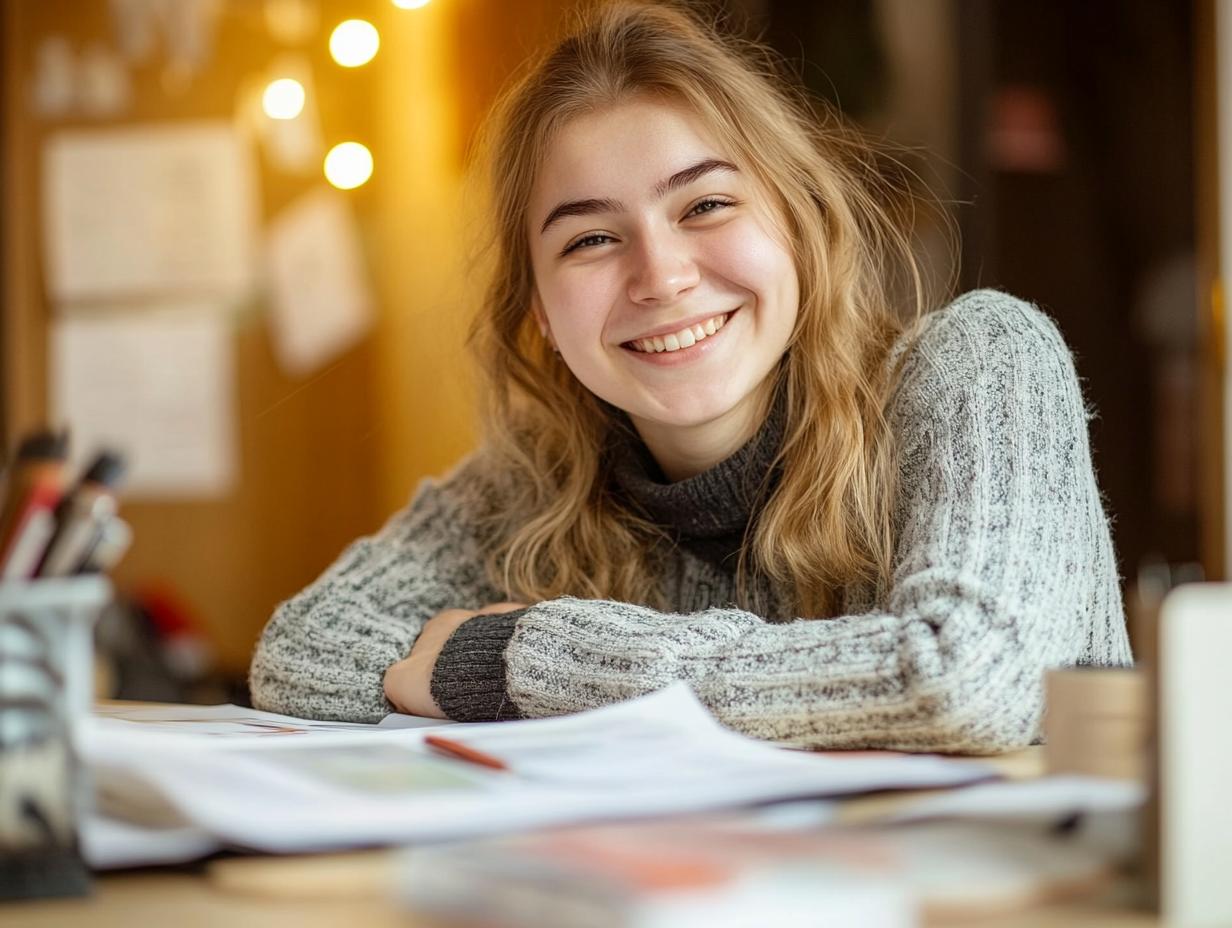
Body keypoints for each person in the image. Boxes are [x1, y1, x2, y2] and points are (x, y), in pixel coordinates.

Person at [250, 0, 1131, 752]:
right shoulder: (536, 486)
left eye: (705, 204)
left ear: (799, 224)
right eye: (591, 238)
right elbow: (303, 649)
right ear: (545, 317)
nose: (661, 275)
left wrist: (518, 657)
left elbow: (965, 680)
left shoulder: (983, 362)